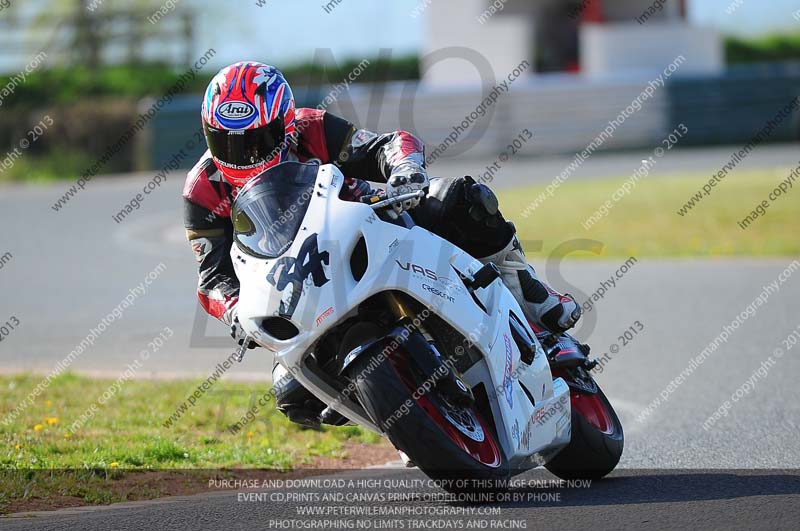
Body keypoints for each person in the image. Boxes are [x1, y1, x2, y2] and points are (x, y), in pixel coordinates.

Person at [183, 62, 581, 427]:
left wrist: (405, 169)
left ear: (285, 125)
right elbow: (212, 278)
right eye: (228, 144)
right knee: (293, 394)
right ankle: (411, 420)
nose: (245, 155)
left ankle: (528, 291)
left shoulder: (312, 128)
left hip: (370, 224)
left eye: (258, 139)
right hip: (303, 281)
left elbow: (385, 145)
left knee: (461, 199)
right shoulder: (202, 191)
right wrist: (233, 309)